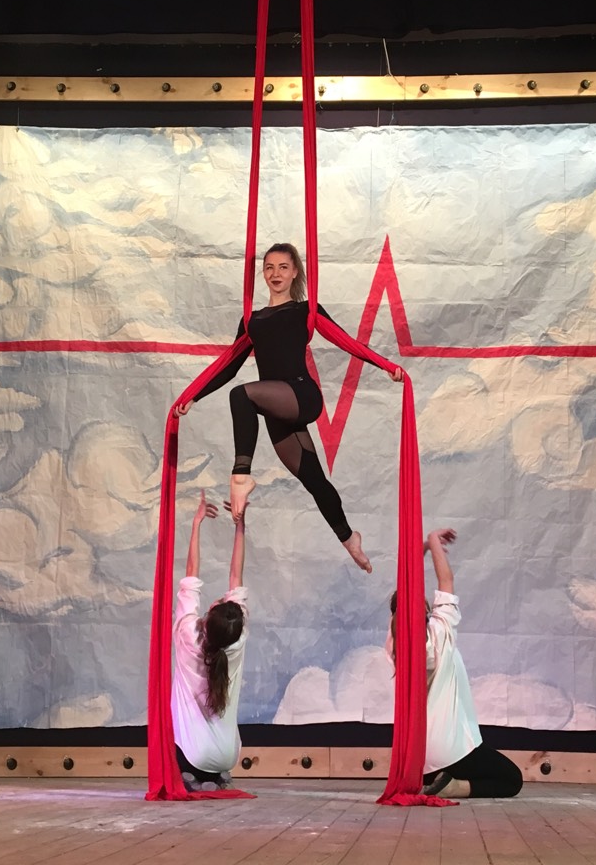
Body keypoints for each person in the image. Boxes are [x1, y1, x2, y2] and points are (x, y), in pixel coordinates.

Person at [175, 242, 402, 574]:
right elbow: (230, 365)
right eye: (269, 267)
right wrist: (194, 396)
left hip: (301, 395)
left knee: (242, 396)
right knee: (314, 479)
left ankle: (240, 476)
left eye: (283, 267)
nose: (275, 273)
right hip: (276, 408)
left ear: (295, 272)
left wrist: (385, 366)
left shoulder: (305, 311)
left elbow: (347, 342)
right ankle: (349, 537)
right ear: (262, 273)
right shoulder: (252, 320)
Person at [387, 528, 524, 799]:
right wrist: (433, 542)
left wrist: (425, 547)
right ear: (428, 612)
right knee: (512, 779)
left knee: (484, 766)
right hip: (449, 750)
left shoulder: (393, 644)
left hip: (419, 758)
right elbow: (446, 579)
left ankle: (443, 781)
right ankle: (454, 787)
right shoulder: (440, 634)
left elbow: (405, 595)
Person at [171, 490, 248, 791]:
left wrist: (197, 523)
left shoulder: (188, 634)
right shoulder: (237, 642)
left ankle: (191, 774)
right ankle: (216, 776)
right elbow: (236, 576)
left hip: (193, 754)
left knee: (174, 725)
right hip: (228, 756)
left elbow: (192, 573)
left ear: (208, 617)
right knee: (212, 750)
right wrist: (240, 525)